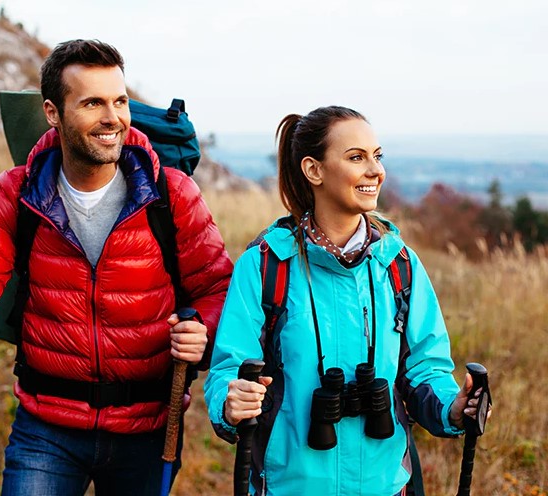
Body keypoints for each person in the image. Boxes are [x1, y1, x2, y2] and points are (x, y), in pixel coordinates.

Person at [0, 39, 233, 495]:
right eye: (92, 103)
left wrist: (202, 326)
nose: (112, 118)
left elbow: (218, 287)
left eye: (120, 101)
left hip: (148, 425)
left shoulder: (171, 192)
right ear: (53, 112)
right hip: (47, 426)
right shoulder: (17, 192)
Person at [203, 106, 489, 495]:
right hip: (289, 486)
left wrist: (454, 408)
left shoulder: (399, 265)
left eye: (378, 155)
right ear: (314, 170)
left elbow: (424, 370)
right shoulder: (266, 265)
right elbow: (229, 368)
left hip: (385, 486)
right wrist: (229, 401)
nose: (376, 170)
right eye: (357, 157)